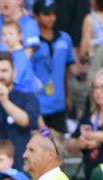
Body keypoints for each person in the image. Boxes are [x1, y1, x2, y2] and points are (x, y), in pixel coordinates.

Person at [0, 51, 40, 170]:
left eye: (4, 71)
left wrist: (4, 101)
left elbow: (26, 121)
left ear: (14, 73)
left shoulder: (27, 97)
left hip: (25, 165)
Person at [32, 0, 74, 135]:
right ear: (37, 16)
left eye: (54, 13)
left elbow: (67, 70)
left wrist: (69, 95)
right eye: (46, 14)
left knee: (59, 144)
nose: (52, 17)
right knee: (40, 144)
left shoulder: (65, 38)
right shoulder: (32, 42)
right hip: (38, 104)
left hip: (58, 102)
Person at [65, 68, 103, 180]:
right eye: (95, 88)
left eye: (102, 87)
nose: (98, 92)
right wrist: (79, 143)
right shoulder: (89, 115)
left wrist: (94, 136)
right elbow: (69, 145)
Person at [1, 20, 40, 94]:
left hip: (24, 93)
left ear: (20, 36)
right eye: (4, 35)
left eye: (10, 34)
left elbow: (16, 77)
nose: (7, 37)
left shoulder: (21, 55)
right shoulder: (7, 53)